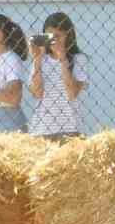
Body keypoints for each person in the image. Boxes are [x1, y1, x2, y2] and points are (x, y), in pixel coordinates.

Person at [26, 12, 89, 140]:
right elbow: (37, 94)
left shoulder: (78, 59)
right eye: (50, 36)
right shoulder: (41, 59)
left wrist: (62, 58)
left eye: (58, 36)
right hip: (41, 128)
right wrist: (37, 59)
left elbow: (72, 93)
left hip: (70, 128)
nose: (53, 41)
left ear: (68, 36)